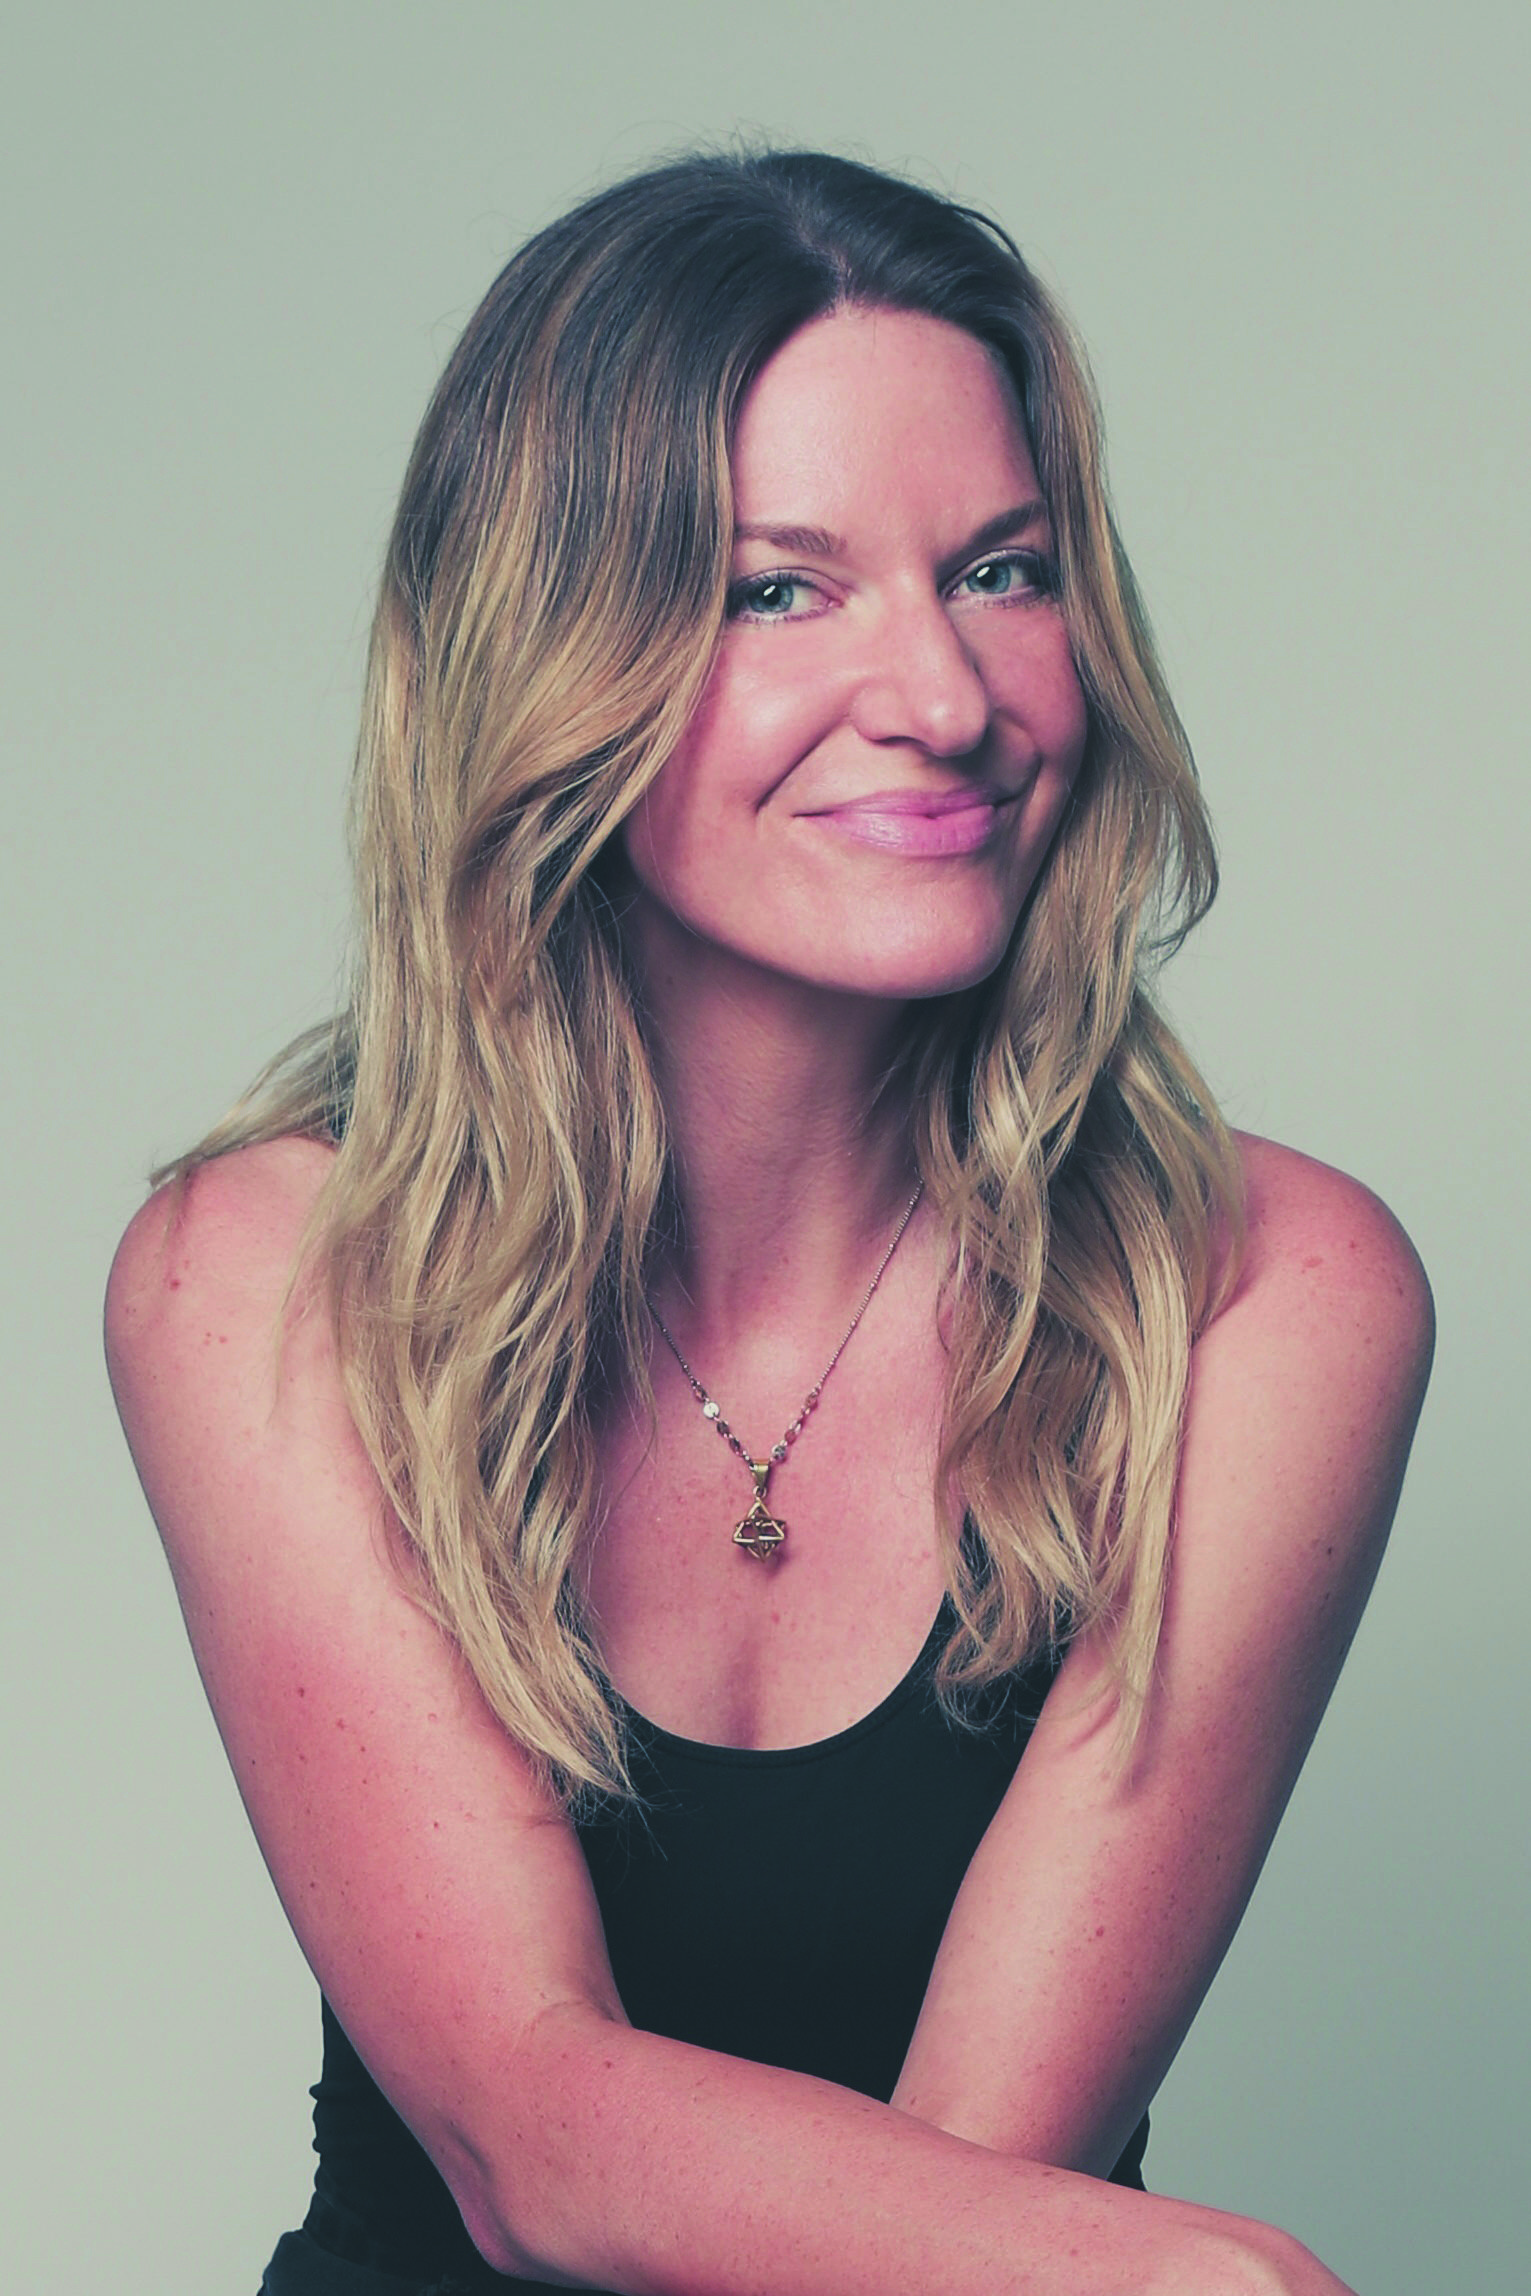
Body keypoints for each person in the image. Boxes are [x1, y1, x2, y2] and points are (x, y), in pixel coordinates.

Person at [105, 150, 1433, 2296]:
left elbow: (957, 2209)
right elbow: (528, 2130)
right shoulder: (269, 1277)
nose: (945, 699)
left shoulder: (1262, 1293)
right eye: (777, 592)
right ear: (552, 658)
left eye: (1000, 570)